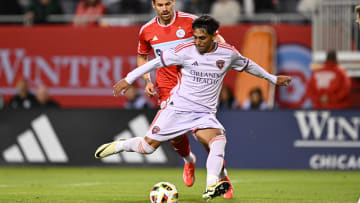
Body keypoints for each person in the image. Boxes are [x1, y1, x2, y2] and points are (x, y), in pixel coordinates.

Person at [95, 15, 291, 200]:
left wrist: (273, 79)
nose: (197, 42)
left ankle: (212, 185)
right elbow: (153, 63)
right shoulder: (184, 50)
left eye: (202, 38)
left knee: (218, 140)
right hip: (177, 109)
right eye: (195, 37)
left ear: (215, 35)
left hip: (204, 113)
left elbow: (248, 65)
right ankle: (120, 145)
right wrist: (128, 79)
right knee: (146, 148)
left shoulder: (228, 53)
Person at [136, 0, 232, 198]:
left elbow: (217, 39)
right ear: (154, 5)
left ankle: (223, 177)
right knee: (174, 135)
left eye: (168, 3)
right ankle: (189, 161)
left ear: (174, 2)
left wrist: (222, 57)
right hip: (166, 86)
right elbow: (142, 56)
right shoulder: (146, 30)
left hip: (193, 86)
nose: (165, 8)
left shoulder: (191, 21)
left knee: (207, 138)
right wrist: (147, 79)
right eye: (160, 4)